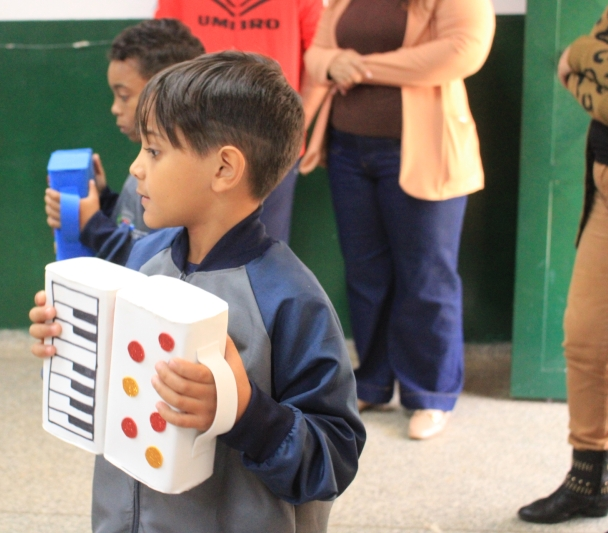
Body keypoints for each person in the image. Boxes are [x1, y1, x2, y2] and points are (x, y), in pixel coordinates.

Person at [29, 51, 366, 533]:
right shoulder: (143, 259)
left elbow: (334, 460)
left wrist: (243, 412)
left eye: (154, 150)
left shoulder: (289, 299)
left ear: (224, 168)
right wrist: (71, 344)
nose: (136, 168)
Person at [302, 0, 495, 440]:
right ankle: (371, 382)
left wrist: (360, 68)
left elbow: (462, 50)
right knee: (365, 274)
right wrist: (333, 62)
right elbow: (316, 54)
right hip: (348, 150)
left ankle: (430, 394)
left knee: (427, 277)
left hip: (422, 150)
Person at [518, 0, 608, 528]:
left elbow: (583, 63)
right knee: (587, 340)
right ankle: (590, 480)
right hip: (607, 189)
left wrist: (591, 66)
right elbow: (570, 63)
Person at [154, 0, 324, 243]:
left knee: (264, 249)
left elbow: (321, 60)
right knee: (189, 248)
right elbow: (162, 53)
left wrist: (292, 127)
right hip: (196, 141)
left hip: (270, 144)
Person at [44, 19, 204, 265]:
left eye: (124, 96)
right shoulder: (144, 167)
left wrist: (93, 227)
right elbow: (135, 228)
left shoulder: (181, 180)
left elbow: (158, 262)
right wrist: (103, 201)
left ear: (165, 89)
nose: (115, 108)